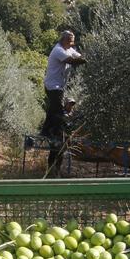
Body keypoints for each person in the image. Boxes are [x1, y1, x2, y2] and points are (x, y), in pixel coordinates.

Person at [41, 31, 86, 176]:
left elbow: (77, 55)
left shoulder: (68, 48)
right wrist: (83, 61)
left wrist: (84, 57)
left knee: (54, 109)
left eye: (73, 41)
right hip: (53, 85)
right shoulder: (58, 50)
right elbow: (71, 61)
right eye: (71, 41)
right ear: (65, 40)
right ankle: (50, 131)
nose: (72, 43)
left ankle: (50, 131)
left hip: (58, 85)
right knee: (57, 110)